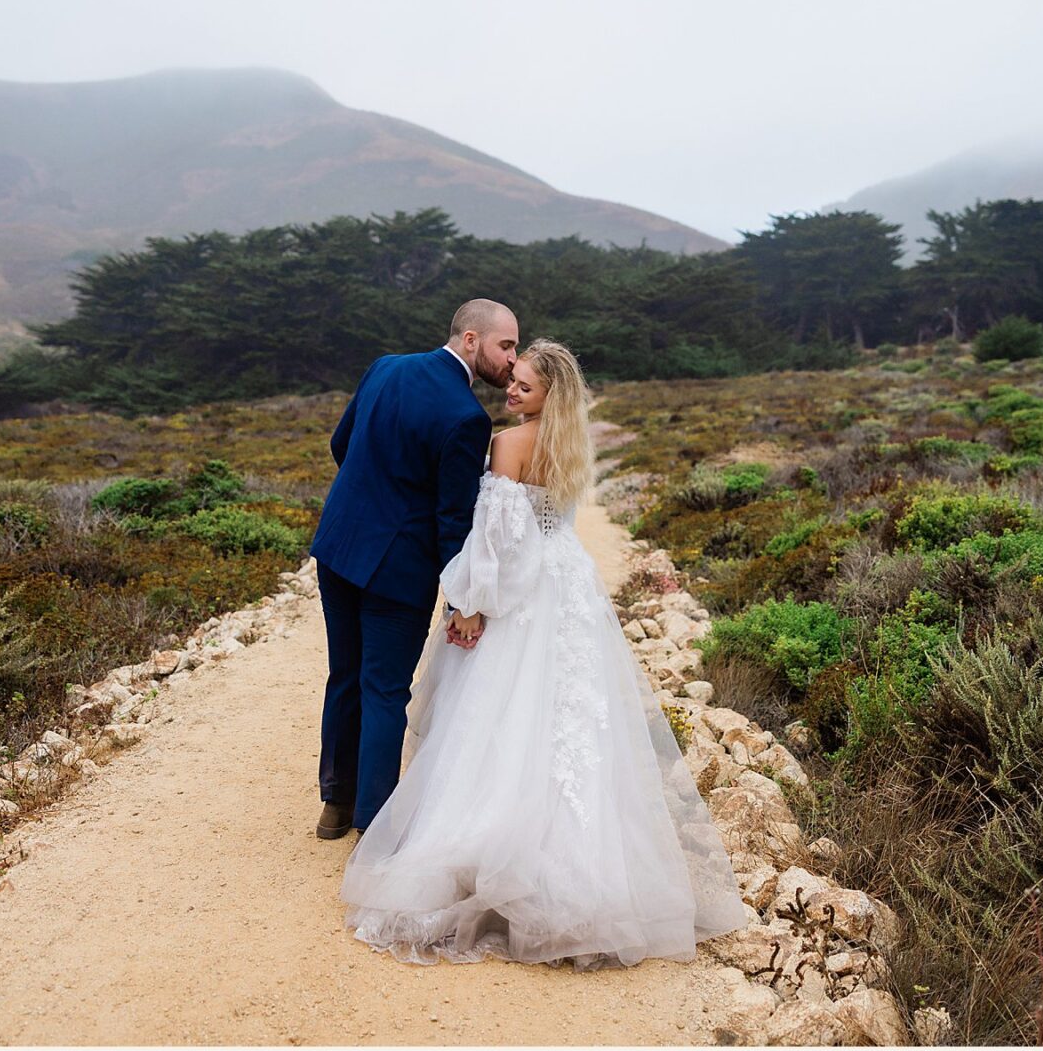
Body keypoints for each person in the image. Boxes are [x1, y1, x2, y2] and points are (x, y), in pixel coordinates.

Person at [338, 339, 752, 969]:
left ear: (549, 394)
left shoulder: (507, 444)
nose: (511, 390)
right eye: (513, 380)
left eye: (525, 386)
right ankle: (581, 869)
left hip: (525, 593)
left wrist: (470, 602)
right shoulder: (571, 446)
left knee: (502, 715)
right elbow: (549, 528)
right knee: (569, 720)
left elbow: (497, 538)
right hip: (567, 588)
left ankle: (485, 849)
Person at [308, 299, 519, 840]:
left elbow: (341, 445)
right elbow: (453, 520)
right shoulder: (468, 417)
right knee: (384, 690)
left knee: (346, 675)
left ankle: (336, 803)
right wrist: (461, 600)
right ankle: (372, 825)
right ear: (471, 340)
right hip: (396, 568)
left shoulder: (386, 366)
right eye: (506, 345)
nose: (512, 360)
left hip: (338, 546)